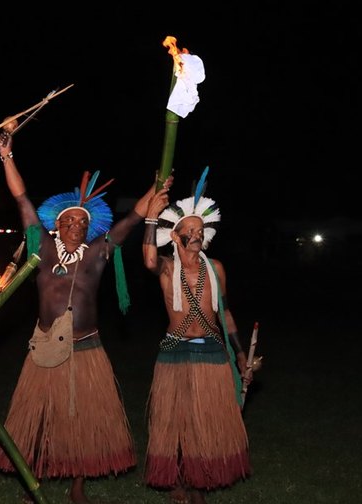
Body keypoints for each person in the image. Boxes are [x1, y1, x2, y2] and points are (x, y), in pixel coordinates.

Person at [0, 123, 173, 504]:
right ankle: (31, 480)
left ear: (90, 229)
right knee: (40, 417)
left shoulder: (97, 252)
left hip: (86, 345)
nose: (75, 226)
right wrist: (6, 154)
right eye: (69, 221)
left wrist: (155, 190)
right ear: (56, 224)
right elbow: (22, 199)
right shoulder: (41, 248)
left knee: (82, 417)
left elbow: (130, 223)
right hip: (44, 346)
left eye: (82, 222)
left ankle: (77, 485)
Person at [141, 166, 252, 504]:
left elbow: (226, 313)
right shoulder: (167, 267)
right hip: (175, 351)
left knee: (206, 424)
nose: (196, 234)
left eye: (200, 229)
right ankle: (177, 481)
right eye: (190, 229)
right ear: (175, 236)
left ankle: (199, 483)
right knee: (174, 421)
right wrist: (149, 218)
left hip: (213, 352)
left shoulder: (215, 268)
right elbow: (147, 260)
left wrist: (242, 354)